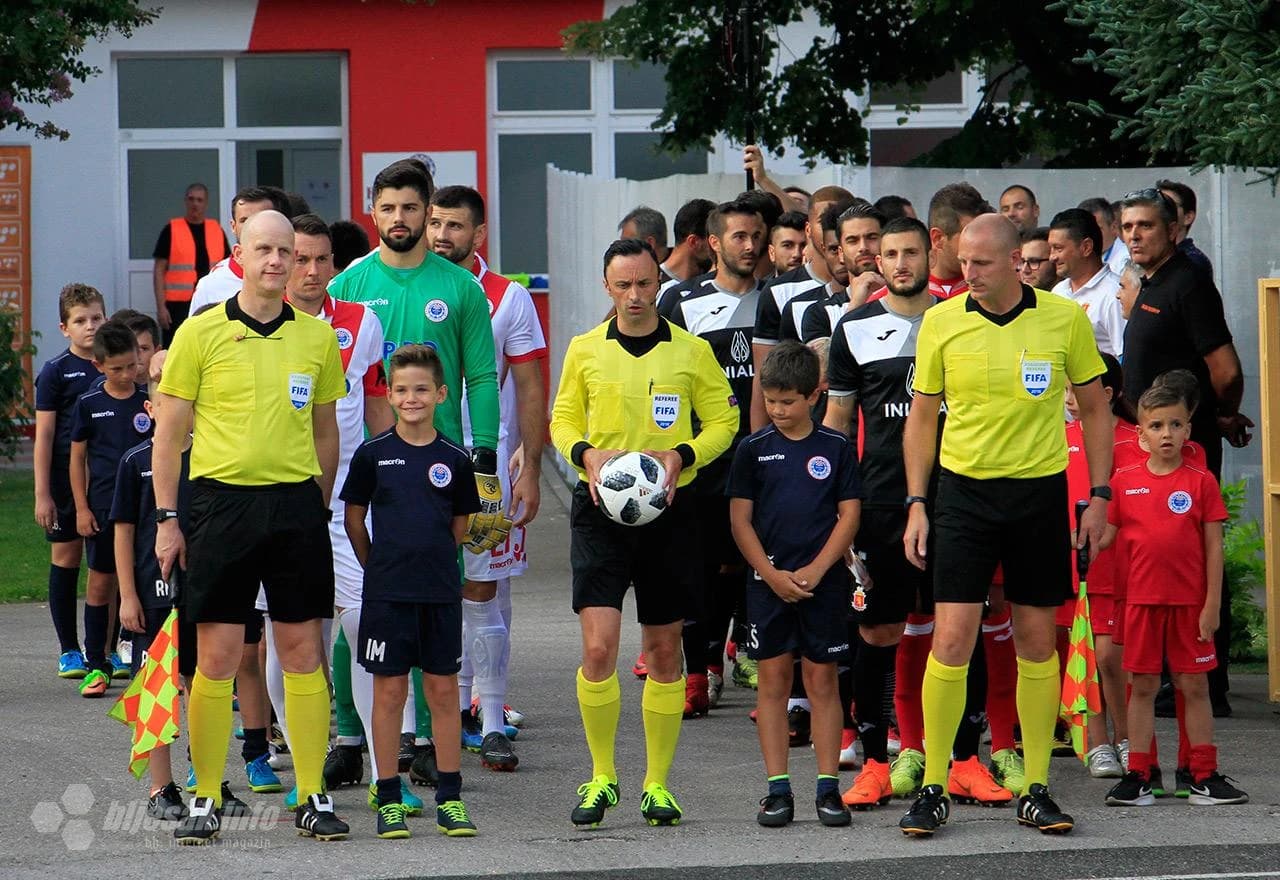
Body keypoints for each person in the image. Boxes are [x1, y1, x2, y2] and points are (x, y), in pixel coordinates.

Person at [898, 214, 1114, 837]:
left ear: (1017, 261)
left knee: (1035, 641)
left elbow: (1096, 408)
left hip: (1039, 495)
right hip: (962, 495)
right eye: (964, 262)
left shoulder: (1062, 319)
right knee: (952, 639)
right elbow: (921, 417)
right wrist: (918, 502)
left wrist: (1098, 495)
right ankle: (935, 784)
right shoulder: (940, 321)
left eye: (983, 264)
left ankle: (1038, 787)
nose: (969, 274)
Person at [153, 210, 349, 844]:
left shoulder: (317, 338)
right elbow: (170, 436)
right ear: (240, 254)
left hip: (295, 508)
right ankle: (205, 795)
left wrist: (316, 505)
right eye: (262, 249)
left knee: (302, 652)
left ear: (297, 259)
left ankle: (312, 794)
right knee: (215, 657)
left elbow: (326, 430)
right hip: (219, 506)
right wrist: (166, 519)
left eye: (285, 252)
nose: (275, 261)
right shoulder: (199, 332)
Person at [549, 239, 737, 829]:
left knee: (663, 652)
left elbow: (725, 419)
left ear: (659, 283)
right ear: (607, 286)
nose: (634, 296)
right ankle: (602, 776)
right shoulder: (584, 350)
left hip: (670, 516)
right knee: (599, 649)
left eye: (644, 284)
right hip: (599, 512)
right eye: (623, 285)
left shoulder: (690, 351)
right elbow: (562, 420)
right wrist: (587, 454)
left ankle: (657, 784)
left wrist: (683, 455)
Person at [250, 213, 397, 809]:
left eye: (321, 260)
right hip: (276, 502)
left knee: (365, 624)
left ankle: (376, 759)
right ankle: (304, 760)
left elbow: (380, 407)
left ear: (335, 265)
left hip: (346, 506)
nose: (310, 271)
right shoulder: (248, 326)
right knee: (290, 637)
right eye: (299, 258)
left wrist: (392, 483)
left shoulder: (361, 322)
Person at [427, 184, 548, 769]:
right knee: (432, 592)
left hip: (487, 469)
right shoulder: (406, 285)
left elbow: (529, 385)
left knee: (485, 588)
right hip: (415, 467)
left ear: (479, 235)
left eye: (454, 226)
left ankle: (491, 717)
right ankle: (439, 716)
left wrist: (529, 462)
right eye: (435, 223)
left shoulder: (507, 297)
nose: (441, 235)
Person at [342, 344, 484, 839]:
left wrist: (434, 561)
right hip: (387, 594)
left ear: (442, 394)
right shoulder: (372, 454)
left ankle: (449, 797)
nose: (411, 398)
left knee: (443, 691)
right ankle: (388, 797)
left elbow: (461, 523)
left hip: (439, 592)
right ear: (389, 393)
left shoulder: (454, 459)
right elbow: (355, 519)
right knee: (388, 693)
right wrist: (378, 565)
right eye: (401, 389)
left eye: (421, 389)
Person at [1118, 187, 1251, 717]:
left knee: (1192, 555)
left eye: (1145, 226)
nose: (1133, 235)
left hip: (1185, 448)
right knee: (1159, 553)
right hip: (1149, 444)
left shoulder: (1188, 283)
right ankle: (1175, 675)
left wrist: (1219, 416)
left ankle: (1205, 682)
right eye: (1127, 226)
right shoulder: (1149, 283)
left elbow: (1226, 369)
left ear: (1173, 230)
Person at [329, 160, 504, 555]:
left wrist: (484, 459)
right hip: (366, 461)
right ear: (372, 213)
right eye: (388, 208)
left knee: (441, 583)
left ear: (427, 213)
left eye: (409, 208)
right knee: (366, 592)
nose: (399, 218)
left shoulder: (463, 287)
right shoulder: (346, 287)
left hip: (440, 460)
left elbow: (480, 376)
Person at [728, 341, 860, 829]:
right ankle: (777, 790)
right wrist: (771, 574)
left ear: (815, 395)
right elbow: (740, 521)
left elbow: (849, 515)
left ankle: (829, 788)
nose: (777, 410)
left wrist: (820, 569)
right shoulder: (753, 450)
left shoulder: (836, 448)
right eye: (770, 400)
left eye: (788, 401)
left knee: (823, 680)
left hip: (822, 584)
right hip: (769, 586)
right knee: (773, 682)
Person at [1104, 383, 1247, 807]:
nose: (1166, 433)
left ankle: (1203, 773)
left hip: (1190, 607)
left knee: (1194, 686)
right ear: (1141, 434)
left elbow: (1214, 548)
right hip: (1140, 605)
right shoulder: (1123, 482)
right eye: (1156, 425)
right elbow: (1105, 536)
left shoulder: (1201, 482)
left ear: (1188, 430)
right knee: (1142, 686)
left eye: (1175, 424)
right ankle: (1140, 775)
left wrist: (1211, 605)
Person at [667, 198, 766, 716]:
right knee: (697, 567)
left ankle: (718, 657)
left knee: (735, 566)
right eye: (738, 237)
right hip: (701, 455)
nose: (749, 246)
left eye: (756, 236)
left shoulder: (778, 300)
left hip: (758, 454)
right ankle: (697, 672)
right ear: (713, 243)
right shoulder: (680, 302)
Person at [112, 377, 194, 821]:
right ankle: (161, 787)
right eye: (164, 395)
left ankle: (207, 781)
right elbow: (123, 532)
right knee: (159, 688)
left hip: (202, 592)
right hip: (152, 593)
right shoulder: (135, 461)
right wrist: (127, 595)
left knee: (203, 685)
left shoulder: (209, 457)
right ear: (151, 406)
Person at [69, 320, 150, 696]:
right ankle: (95, 664)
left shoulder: (148, 400)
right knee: (101, 584)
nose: (125, 374)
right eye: (116, 368)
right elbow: (77, 459)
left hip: (144, 510)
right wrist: (82, 508)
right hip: (102, 507)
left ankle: (141, 660)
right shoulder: (88, 403)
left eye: (131, 365)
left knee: (146, 583)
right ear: (99, 366)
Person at [34, 284, 106, 678]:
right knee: (67, 558)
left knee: (107, 566)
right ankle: (69, 650)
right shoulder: (56, 372)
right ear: (65, 328)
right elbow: (44, 437)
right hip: (64, 481)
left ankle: (108, 649)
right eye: (80, 320)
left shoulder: (115, 366)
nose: (89, 326)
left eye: (96, 318)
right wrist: (42, 494)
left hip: (107, 483)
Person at [188, 186, 292, 315]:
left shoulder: (298, 275)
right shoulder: (211, 286)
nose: (252, 226)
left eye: (260, 218)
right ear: (233, 226)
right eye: (244, 220)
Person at [800, 202, 886, 346]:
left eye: (871, 237)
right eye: (853, 241)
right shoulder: (819, 314)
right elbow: (824, 366)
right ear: (840, 253)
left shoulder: (909, 299)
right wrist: (855, 307)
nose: (863, 247)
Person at [152, 183, 229, 342]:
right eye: (191, 199)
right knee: (175, 346)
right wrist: (161, 307)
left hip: (211, 301)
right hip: (177, 306)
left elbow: (227, 267)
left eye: (199, 200)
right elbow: (159, 270)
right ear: (186, 201)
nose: (195, 204)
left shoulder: (216, 230)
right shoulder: (171, 229)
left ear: (206, 203)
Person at [1048, 209, 1126, 357]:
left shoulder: (1115, 294)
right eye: (1051, 249)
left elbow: (1125, 357)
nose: (1052, 257)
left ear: (1086, 247)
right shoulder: (1058, 291)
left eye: (1058, 248)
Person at [926, 183, 990, 299]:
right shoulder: (892, 299)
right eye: (970, 235)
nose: (981, 245)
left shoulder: (998, 291)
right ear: (938, 238)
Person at [1156, 179, 1213, 276]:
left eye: (1168, 204)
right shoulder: (1153, 256)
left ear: (1188, 217)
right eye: (1156, 204)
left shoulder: (1192, 261)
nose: (1159, 210)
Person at [659, 198, 716, 292]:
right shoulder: (651, 286)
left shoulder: (710, 282)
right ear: (694, 242)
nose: (718, 247)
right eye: (713, 240)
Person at [1078, 197, 1130, 277]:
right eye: (1085, 230)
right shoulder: (1080, 258)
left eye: (1096, 229)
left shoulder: (1126, 260)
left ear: (1113, 227)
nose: (1090, 236)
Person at [768, 211, 808, 277]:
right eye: (787, 245)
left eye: (803, 245)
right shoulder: (765, 287)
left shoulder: (828, 286)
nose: (797, 254)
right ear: (772, 253)